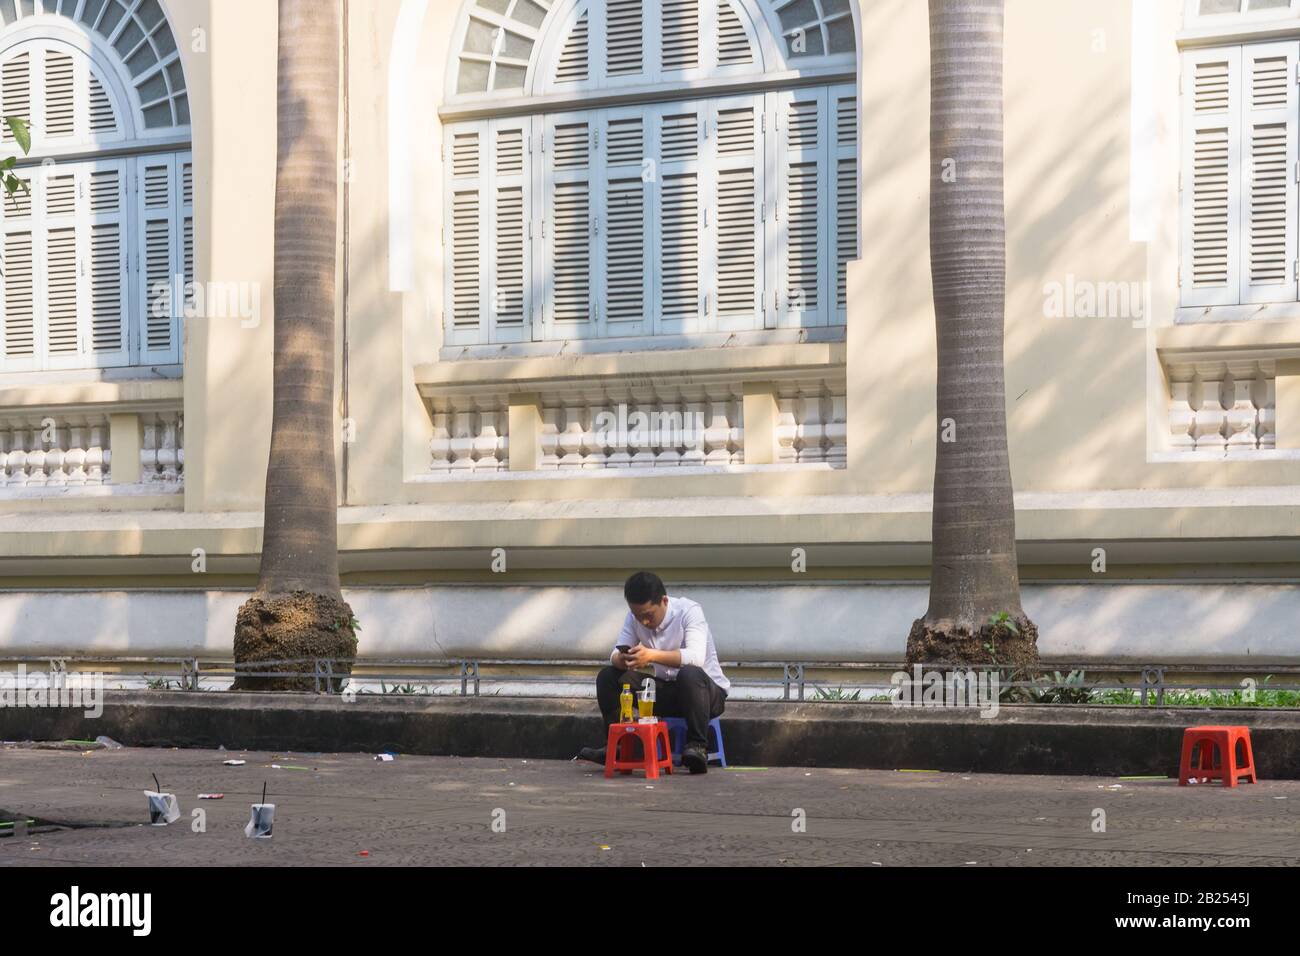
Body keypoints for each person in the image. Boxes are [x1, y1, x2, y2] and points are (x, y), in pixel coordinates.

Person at [577, 571, 730, 774]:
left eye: (648, 615)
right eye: (638, 616)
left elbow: (696, 657)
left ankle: (697, 747)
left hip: (706, 695)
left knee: (689, 673)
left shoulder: (689, 611)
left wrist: (651, 656)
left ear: (664, 601)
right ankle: (618, 748)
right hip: (667, 691)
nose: (644, 622)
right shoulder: (634, 618)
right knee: (608, 676)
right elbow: (615, 652)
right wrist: (622, 659)